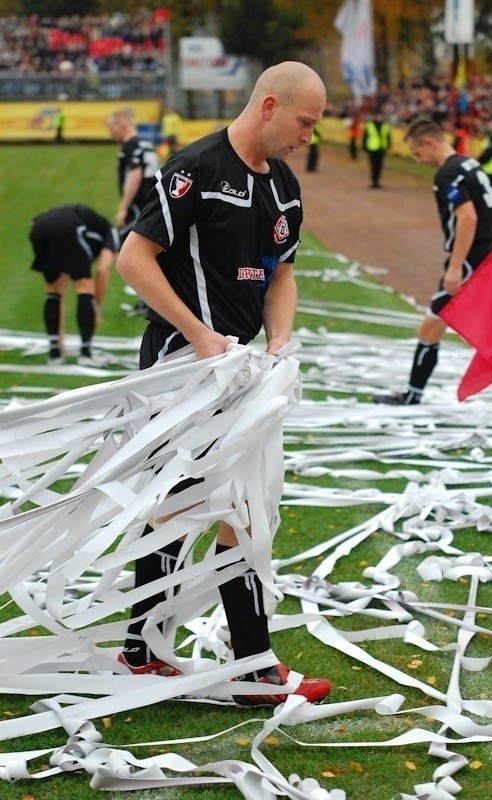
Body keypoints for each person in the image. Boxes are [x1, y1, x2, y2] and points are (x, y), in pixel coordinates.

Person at [115, 60, 332, 706]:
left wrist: (279, 339)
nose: (307, 138)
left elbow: (282, 274)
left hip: (242, 379)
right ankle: (246, 667)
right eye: (305, 123)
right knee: (199, 507)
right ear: (269, 106)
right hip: (186, 371)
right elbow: (133, 256)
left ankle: (148, 652)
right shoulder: (196, 170)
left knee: (232, 506)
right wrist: (200, 335)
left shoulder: (285, 186)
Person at [373, 117, 492, 416]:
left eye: (418, 154)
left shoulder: (447, 174)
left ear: (430, 143)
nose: (419, 161)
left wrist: (456, 266)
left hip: (472, 263)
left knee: (430, 327)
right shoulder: (471, 165)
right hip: (488, 256)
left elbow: (468, 217)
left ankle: (412, 396)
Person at [29, 204, 121, 365]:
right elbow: (101, 271)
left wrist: (61, 337)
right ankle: (86, 354)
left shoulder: (93, 230)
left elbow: (62, 288)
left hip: (39, 226)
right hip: (69, 227)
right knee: (84, 286)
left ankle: (55, 352)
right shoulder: (112, 233)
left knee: (54, 289)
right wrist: (96, 309)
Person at [106, 108, 159, 316]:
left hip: (139, 206)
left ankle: (151, 299)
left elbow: (135, 177)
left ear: (123, 125)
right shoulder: (145, 144)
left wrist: (123, 207)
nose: (110, 133)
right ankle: (146, 300)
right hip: (148, 204)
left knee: (124, 250)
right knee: (141, 253)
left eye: (112, 128)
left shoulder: (132, 147)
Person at [362, 109, 390, 188]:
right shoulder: (370, 125)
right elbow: (365, 137)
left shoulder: (385, 125)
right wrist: (364, 146)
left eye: (380, 116)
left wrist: (388, 145)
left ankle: (377, 180)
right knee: (373, 165)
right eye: (378, 116)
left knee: (379, 165)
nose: (379, 118)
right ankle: (373, 180)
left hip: (381, 148)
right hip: (372, 148)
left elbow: (387, 137)